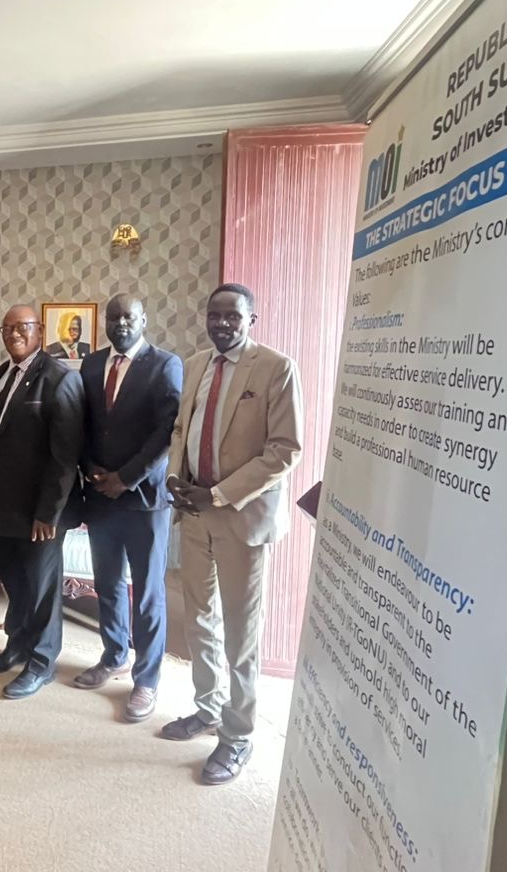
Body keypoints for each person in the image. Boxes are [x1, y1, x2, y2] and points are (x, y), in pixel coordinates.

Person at [162, 283, 303, 785]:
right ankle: (208, 707)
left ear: (251, 319)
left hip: (240, 516)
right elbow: (183, 430)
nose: (222, 323)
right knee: (199, 617)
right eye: (214, 315)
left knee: (241, 634)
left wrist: (218, 494)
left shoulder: (276, 368)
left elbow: (285, 450)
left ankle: (238, 734)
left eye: (233, 316)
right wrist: (175, 477)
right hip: (194, 512)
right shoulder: (196, 364)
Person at [74, 293, 183, 722]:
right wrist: (90, 469)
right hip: (101, 493)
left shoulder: (165, 365)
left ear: (143, 320)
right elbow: (81, 423)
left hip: (144, 499)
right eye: (114, 316)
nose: (121, 323)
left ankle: (147, 678)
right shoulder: (91, 364)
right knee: (108, 583)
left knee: (148, 593)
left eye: (129, 316)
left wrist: (126, 477)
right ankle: (115, 654)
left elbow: (166, 432)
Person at [0, 304, 84, 699]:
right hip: (2, 501)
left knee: (41, 588)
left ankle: (42, 662)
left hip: (41, 510)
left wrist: (48, 513)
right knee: (14, 580)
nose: (14, 334)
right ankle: (18, 643)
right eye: (7, 328)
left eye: (22, 327)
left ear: (39, 330)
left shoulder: (59, 378)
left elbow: (65, 456)